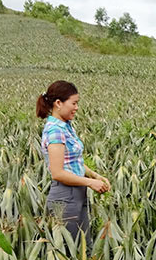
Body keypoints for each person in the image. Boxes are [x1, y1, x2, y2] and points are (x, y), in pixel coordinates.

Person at [36, 80, 110, 240]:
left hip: (76, 193)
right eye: (74, 103)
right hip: (65, 196)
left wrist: (94, 176)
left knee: (83, 247)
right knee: (70, 251)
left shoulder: (66, 126)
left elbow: (73, 162)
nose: (76, 108)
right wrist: (90, 183)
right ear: (58, 103)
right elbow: (58, 173)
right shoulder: (55, 131)